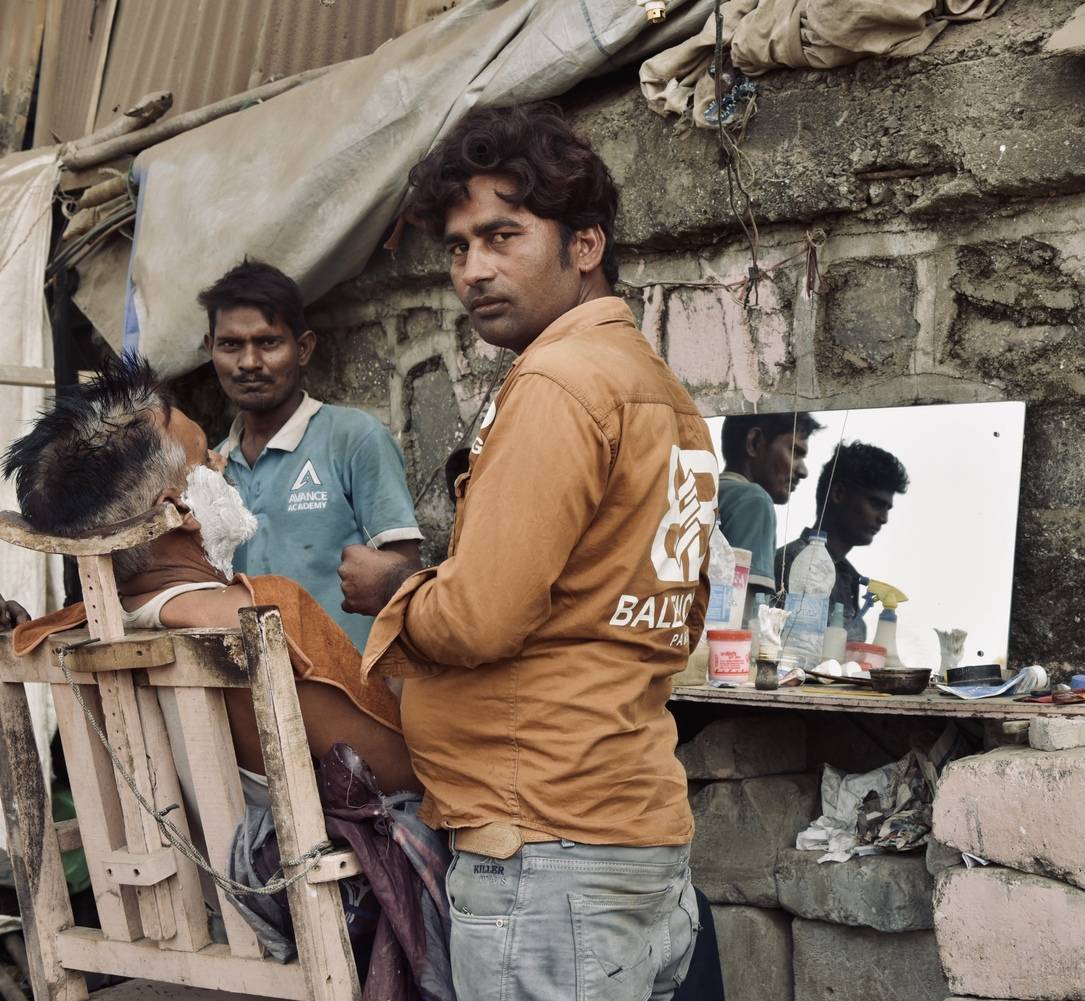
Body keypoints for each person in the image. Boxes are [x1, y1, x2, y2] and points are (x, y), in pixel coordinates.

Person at [336, 103, 713, 1001]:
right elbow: (678, 609)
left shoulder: (555, 381)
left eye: (503, 236)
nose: (474, 269)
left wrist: (401, 588)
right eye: (460, 247)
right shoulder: (660, 390)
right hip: (630, 828)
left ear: (585, 245)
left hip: (548, 848)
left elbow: (479, 616)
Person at [1, 358, 417, 793]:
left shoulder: (72, 628)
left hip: (178, 857)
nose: (222, 462)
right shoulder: (261, 611)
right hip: (291, 857)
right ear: (180, 510)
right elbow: (398, 773)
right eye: (204, 457)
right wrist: (409, 615)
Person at [199, 261, 422, 650]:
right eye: (231, 344)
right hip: (258, 694)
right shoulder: (211, 469)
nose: (249, 362)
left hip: (352, 693)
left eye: (268, 342)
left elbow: (404, 579)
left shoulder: (353, 439)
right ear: (210, 349)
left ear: (302, 349)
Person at [775, 440, 909, 639]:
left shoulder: (850, 578)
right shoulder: (794, 563)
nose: (883, 518)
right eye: (875, 504)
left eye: (887, 509)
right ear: (838, 493)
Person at [717, 412, 821, 596]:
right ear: (755, 442)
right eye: (794, 451)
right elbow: (743, 609)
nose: (803, 471)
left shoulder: (705, 492)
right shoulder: (754, 500)